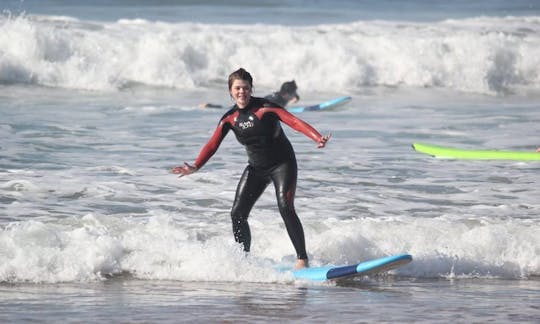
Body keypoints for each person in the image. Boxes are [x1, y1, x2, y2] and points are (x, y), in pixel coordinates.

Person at [173, 68, 330, 270]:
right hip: (256, 168)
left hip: (282, 164)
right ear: (230, 91)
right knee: (237, 214)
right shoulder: (229, 119)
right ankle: (243, 260)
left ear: (251, 89)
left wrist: (317, 137)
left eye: (246, 88)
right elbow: (212, 145)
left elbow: (294, 121)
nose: (242, 92)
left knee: (285, 207)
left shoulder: (265, 108)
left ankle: (302, 259)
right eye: (237, 88)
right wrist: (195, 166)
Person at [200, 80, 300, 109]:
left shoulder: (280, 96)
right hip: (250, 106)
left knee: (229, 108)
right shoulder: (278, 99)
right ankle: (209, 105)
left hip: (251, 104)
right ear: (287, 93)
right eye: (294, 92)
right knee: (229, 109)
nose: (295, 95)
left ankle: (209, 105)